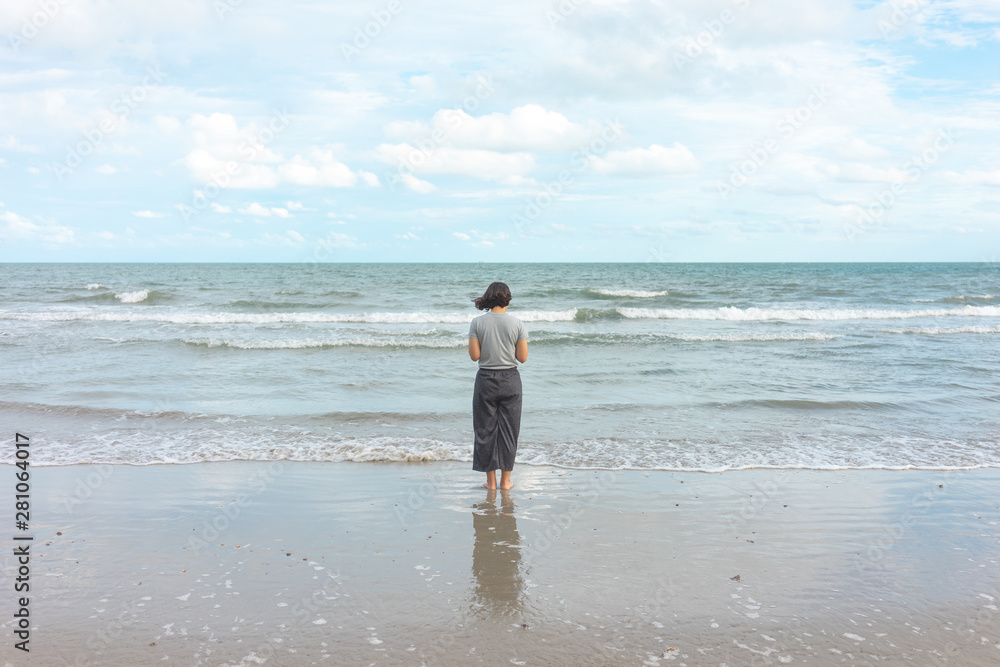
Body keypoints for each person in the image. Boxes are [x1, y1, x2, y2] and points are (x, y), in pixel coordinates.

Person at [468, 282, 528, 490]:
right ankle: (505, 482)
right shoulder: (517, 323)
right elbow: (522, 358)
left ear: (489, 298)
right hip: (510, 379)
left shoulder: (477, 323)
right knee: (509, 431)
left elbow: (475, 356)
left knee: (485, 431)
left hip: (485, 380)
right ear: (508, 300)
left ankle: (490, 483)